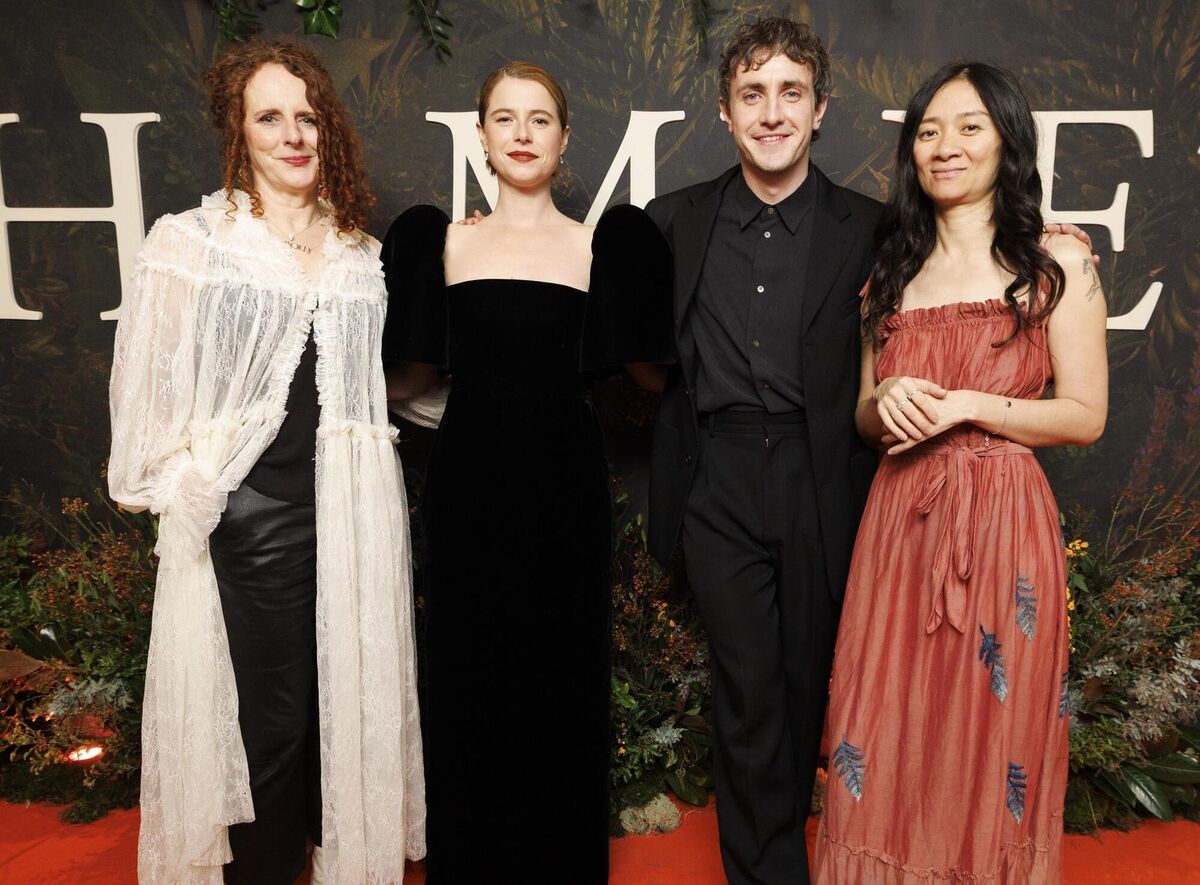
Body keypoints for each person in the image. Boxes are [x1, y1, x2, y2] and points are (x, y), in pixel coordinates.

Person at [107, 39, 425, 885]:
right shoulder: (191, 242)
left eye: (308, 117)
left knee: (340, 710)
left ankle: (326, 865)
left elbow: (377, 389)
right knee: (270, 722)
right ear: (237, 130)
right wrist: (189, 492)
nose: (293, 135)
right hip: (253, 518)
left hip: (353, 512)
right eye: (270, 117)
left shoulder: (359, 253)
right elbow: (145, 400)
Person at [813, 61, 1107, 883]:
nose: (946, 146)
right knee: (885, 725)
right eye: (929, 130)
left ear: (1007, 141)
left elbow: (1085, 415)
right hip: (899, 524)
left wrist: (969, 405)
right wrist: (887, 401)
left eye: (970, 127)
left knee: (992, 737)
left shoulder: (1055, 262)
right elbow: (865, 417)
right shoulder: (889, 275)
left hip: (1004, 526)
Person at [382, 62, 671, 883]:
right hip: (468, 484)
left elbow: (652, 375)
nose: (521, 133)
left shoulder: (594, 246)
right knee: (468, 672)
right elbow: (409, 377)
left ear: (564, 138)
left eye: (538, 119)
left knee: (562, 676)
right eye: (504, 118)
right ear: (481, 135)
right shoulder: (445, 242)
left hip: (565, 486)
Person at [644, 18, 882, 884]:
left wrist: (1050, 243)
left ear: (820, 109)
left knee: (802, 683)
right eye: (752, 93)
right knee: (747, 689)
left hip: (825, 474)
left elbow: (964, 266)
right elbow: (626, 343)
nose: (771, 112)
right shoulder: (672, 222)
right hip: (719, 473)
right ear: (725, 109)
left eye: (791, 93)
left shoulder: (874, 227)